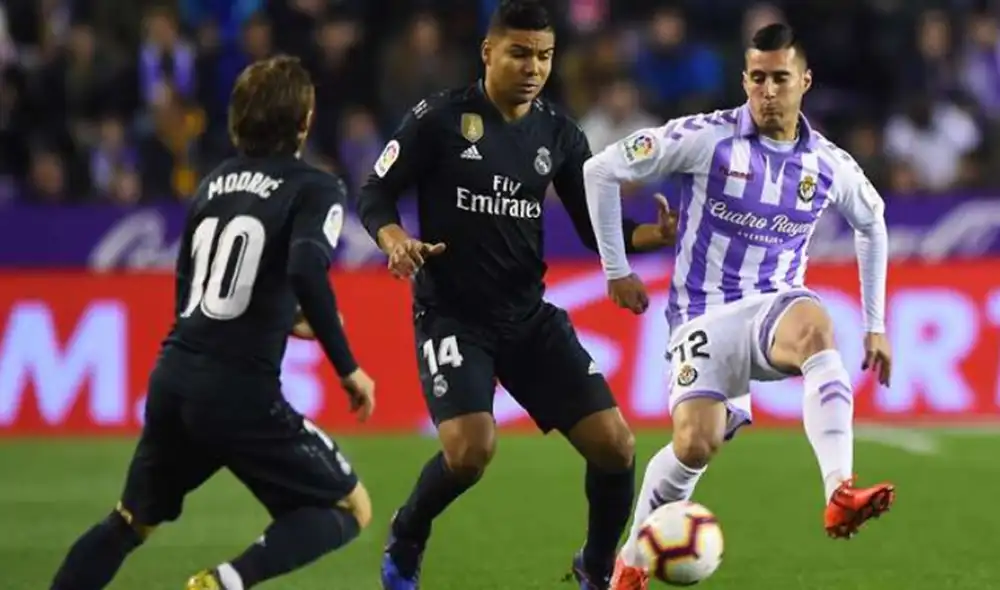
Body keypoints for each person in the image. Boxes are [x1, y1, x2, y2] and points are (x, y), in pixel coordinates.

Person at [357, 2, 676, 589]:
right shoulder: (439, 119)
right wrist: (395, 237)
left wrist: (651, 236)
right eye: (521, 53)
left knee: (616, 446)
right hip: (452, 317)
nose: (534, 67)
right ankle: (408, 530)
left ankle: (597, 569)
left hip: (527, 317)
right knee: (470, 452)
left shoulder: (559, 133)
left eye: (545, 56)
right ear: (488, 52)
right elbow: (374, 191)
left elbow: (592, 223)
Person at [582, 24, 897, 590]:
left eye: (780, 78)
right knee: (693, 445)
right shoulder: (706, 139)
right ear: (744, 80)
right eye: (757, 78)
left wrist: (876, 326)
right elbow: (600, 170)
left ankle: (839, 491)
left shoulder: (829, 164)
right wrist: (616, 270)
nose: (768, 90)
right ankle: (628, 567)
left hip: (772, 310)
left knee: (816, 326)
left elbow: (872, 224)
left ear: (805, 80)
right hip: (700, 318)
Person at [48, 56, 376, 590]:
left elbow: (193, 291)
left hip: (175, 376)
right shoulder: (316, 187)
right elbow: (306, 270)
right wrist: (348, 368)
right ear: (305, 120)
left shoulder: (213, 183)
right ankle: (222, 583)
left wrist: (285, 318)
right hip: (239, 392)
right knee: (347, 506)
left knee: (130, 520)